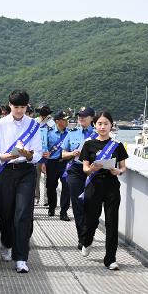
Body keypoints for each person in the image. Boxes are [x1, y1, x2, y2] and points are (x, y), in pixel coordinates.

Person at [0, 90, 42, 273]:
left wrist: (29, 156)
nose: (19, 111)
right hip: (6, 171)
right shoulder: (0, 125)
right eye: (16, 107)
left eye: (23, 107)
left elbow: (39, 153)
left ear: (27, 107)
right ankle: (6, 243)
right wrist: (2, 157)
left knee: (23, 214)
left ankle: (21, 258)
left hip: (26, 172)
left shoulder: (33, 125)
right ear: (10, 106)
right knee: (6, 213)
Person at [79, 111, 128, 270]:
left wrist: (118, 172)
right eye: (99, 123)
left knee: (112, 223)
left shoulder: (117, 145)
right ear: (94, 125)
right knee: (91, 219)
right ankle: (86, 241)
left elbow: (123, 167)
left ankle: (110, 259)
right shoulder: (89, 144)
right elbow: (85, 167)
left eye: (106, 123)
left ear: (111, 126)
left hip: (112, 186)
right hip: (94, 185)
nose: (102, 126)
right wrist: (91, 169)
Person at [61, 106, 97, 249]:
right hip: (75, 170)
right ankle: (82, 238)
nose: (81, 118)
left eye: (84, 116)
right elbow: (63, 154)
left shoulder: (97, 134)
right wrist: (72, 154)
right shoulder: (72, 133)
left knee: (91, 204)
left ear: (92, 118)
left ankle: (88, 232)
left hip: (92, 171)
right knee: (77, 204)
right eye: (79, 116)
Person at [45, 110, 71, 220]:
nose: (67, 121)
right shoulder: (48, 133)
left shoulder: (70, 133)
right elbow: (44, 148)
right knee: (51, 186)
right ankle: (52, 207)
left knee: (66, 186)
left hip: (65, 163)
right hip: (51, 163)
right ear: (58, 121)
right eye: (65, 119)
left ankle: (63, 212)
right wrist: (43, 162)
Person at [34, 102, 55, 206]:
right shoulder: (35, 122)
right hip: (38, 153)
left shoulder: (52, 123)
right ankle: (36, 197)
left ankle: (47, 199)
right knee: (36, 177)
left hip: (48, 153)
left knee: (48, 178)